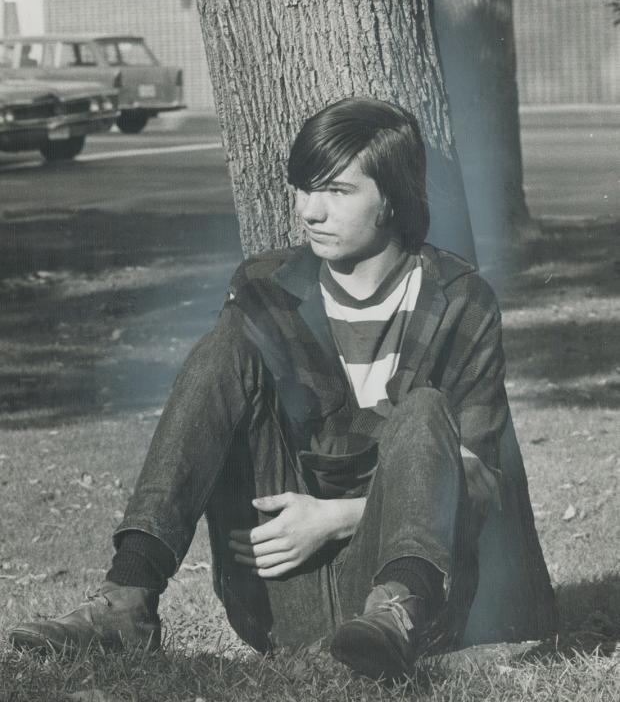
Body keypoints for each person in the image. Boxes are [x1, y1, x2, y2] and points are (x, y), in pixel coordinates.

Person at [10, 98, 556, 679]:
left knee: (423, 411)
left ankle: (396, 609)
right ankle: (129, 598)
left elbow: (478, 481)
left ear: (393, 197)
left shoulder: (460, 301)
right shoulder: (267, 286)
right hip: (280, 584)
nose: (310, 211)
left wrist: (337, 517)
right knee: (227, 345)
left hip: (413, 596)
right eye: (304, 188)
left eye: (338, 191)